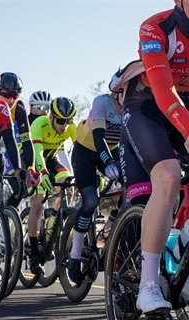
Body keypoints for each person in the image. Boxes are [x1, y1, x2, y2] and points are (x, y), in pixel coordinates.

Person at [114, 0, 189, 314]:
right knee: (169, 177)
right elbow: (163, 88)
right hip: (148, 106)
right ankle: (146, 285)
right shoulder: (157, 27)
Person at [68, 89, 124, 286]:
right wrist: (108, 162)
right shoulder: (102, 102)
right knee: (91, 200)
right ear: (116, 94)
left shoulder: (134, 104)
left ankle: (116, 227)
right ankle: (74, 256)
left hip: (114, 150)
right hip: (86, 151)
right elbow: (99, 138)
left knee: (135, 188)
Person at [27, 97, 77, 274]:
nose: (65, 125)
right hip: (33, 160)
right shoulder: (40, 124)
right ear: (52, 117)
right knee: (38, 204)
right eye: (61, 121)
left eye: (69, 121)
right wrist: (43, 174)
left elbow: (81, 151)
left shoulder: (71, 127)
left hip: (51, 159)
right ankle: (33, 252)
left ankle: (53, 222)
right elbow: (37, 155)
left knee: (69, 186)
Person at [0, 72, 37, 208]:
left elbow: (26, 140)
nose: (11, 100)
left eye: (15, 96)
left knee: (22, 190)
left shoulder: (18, 108)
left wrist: (30, 168)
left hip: (6, 139)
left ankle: (5, 220)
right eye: (6, 95)